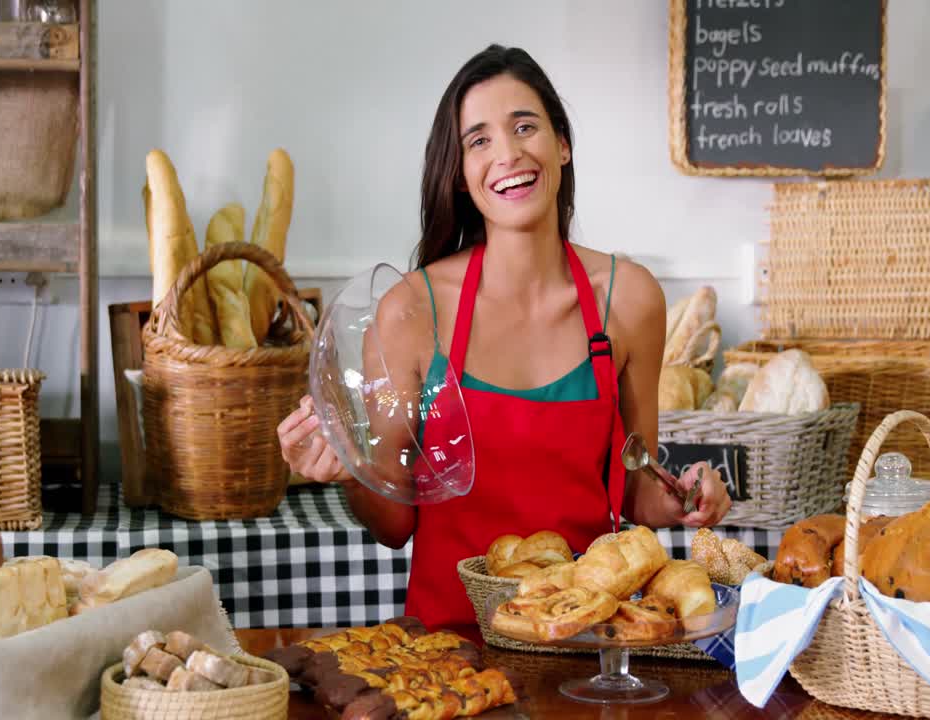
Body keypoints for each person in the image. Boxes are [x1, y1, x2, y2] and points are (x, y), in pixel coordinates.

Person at [277, 44, 732, 631]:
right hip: (448, 649)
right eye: (479, 140)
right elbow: (394, 527)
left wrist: (684, 492)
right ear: (462, 175)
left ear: (562, 144)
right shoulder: (411, 311)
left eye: (525, 127)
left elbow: (636, 491)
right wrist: (347, 467)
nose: (508, 153)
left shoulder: (629, 298)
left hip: (585, 642)